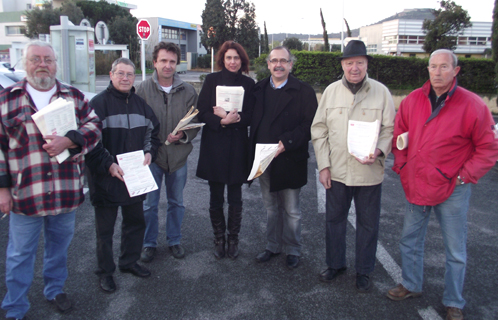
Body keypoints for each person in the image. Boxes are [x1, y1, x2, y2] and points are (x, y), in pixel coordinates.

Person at [386, 49, 498, 320]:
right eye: (433, 66)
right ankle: (411, 285)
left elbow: (488, 148)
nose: (437, 72)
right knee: (409, 240)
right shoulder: (413, 99)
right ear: (427, 69)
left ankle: (453, 301)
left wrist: (463, 176)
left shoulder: (473, 105)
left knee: (455, 249)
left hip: (453, 188)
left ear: (455, 70)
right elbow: (399, 134)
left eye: (444, 67)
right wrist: (401, 166)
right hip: (417, 184)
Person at [0, 40, 101, 319]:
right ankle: (15, 306)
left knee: (58, 249)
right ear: (24, 63)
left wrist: (70, 140)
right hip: (25, 193)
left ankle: (54, 289)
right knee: (19, 255)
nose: (42, 64)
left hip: (64, 191)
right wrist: (2, 189)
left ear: (56, 64)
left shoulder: (74, 97)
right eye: (35, 59)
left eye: (48, 59)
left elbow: (94, 126)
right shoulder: (7, 99)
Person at [311, 40, 395, 292]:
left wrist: (379, 150)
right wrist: (323, 166)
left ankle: (364, 270)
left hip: (368, 173)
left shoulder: (382, 92)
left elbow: (390, 129)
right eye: (349, 63)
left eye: (359, 62)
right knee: (334, 221)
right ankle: (335, 264)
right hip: (336, 171)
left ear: (367, 63)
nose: (354, 67)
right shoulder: (331, 92)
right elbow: (319, 129)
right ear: (343, 65)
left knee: (368, 224)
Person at [85, 58, 160, 293]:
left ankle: (129, 262)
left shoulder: (141, 105)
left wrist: (150, 153)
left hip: (134, 179)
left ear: (134, 77)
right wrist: (108, 165)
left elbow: (153, 133)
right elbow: (90, 142)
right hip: (106, 180)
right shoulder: (97, 105)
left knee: (135, 223)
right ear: (111, 74)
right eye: (120, 73)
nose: (125, 78)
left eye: (129, 74)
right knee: (104, 231)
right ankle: (105, 272)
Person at [249, 46, 318, 270]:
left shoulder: (304, 91)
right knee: (270, 208)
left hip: (290, 158)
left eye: (283, 61)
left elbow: (310, 126)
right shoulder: (258, 90)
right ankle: (273, 246)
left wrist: (287, 142)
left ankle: (293, 249)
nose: (278, 64)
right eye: (274, 60)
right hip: (264, 158)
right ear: (268, 64)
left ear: (290, 64)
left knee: (292, 210)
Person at [136, 42, 199, 262]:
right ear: (154, 62)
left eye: (172, 61)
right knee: (149, 205)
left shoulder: (188, 91)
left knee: (177, 203)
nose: (168, 65)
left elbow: (194, 123)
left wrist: (182, 136)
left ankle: (174, 240)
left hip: (178, 158)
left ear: (177, 64)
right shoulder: (142, 89)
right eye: (163, 60)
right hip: (151, 158)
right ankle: (148, 243)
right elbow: (137, 124)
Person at [196, 41, 255, 260]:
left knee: (236, 195)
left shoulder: (248, 84)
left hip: (238, 146)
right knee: (215, 195)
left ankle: (233, 239)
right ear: (223, 59)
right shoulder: (211, 80)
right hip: (215, 145)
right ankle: (219, 238)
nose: (232, 61)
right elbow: (201, 112)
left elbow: (251, 114)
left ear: (242, 60)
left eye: (237, 58)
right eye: (229, 57)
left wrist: (234, 119)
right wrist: (221, 120)